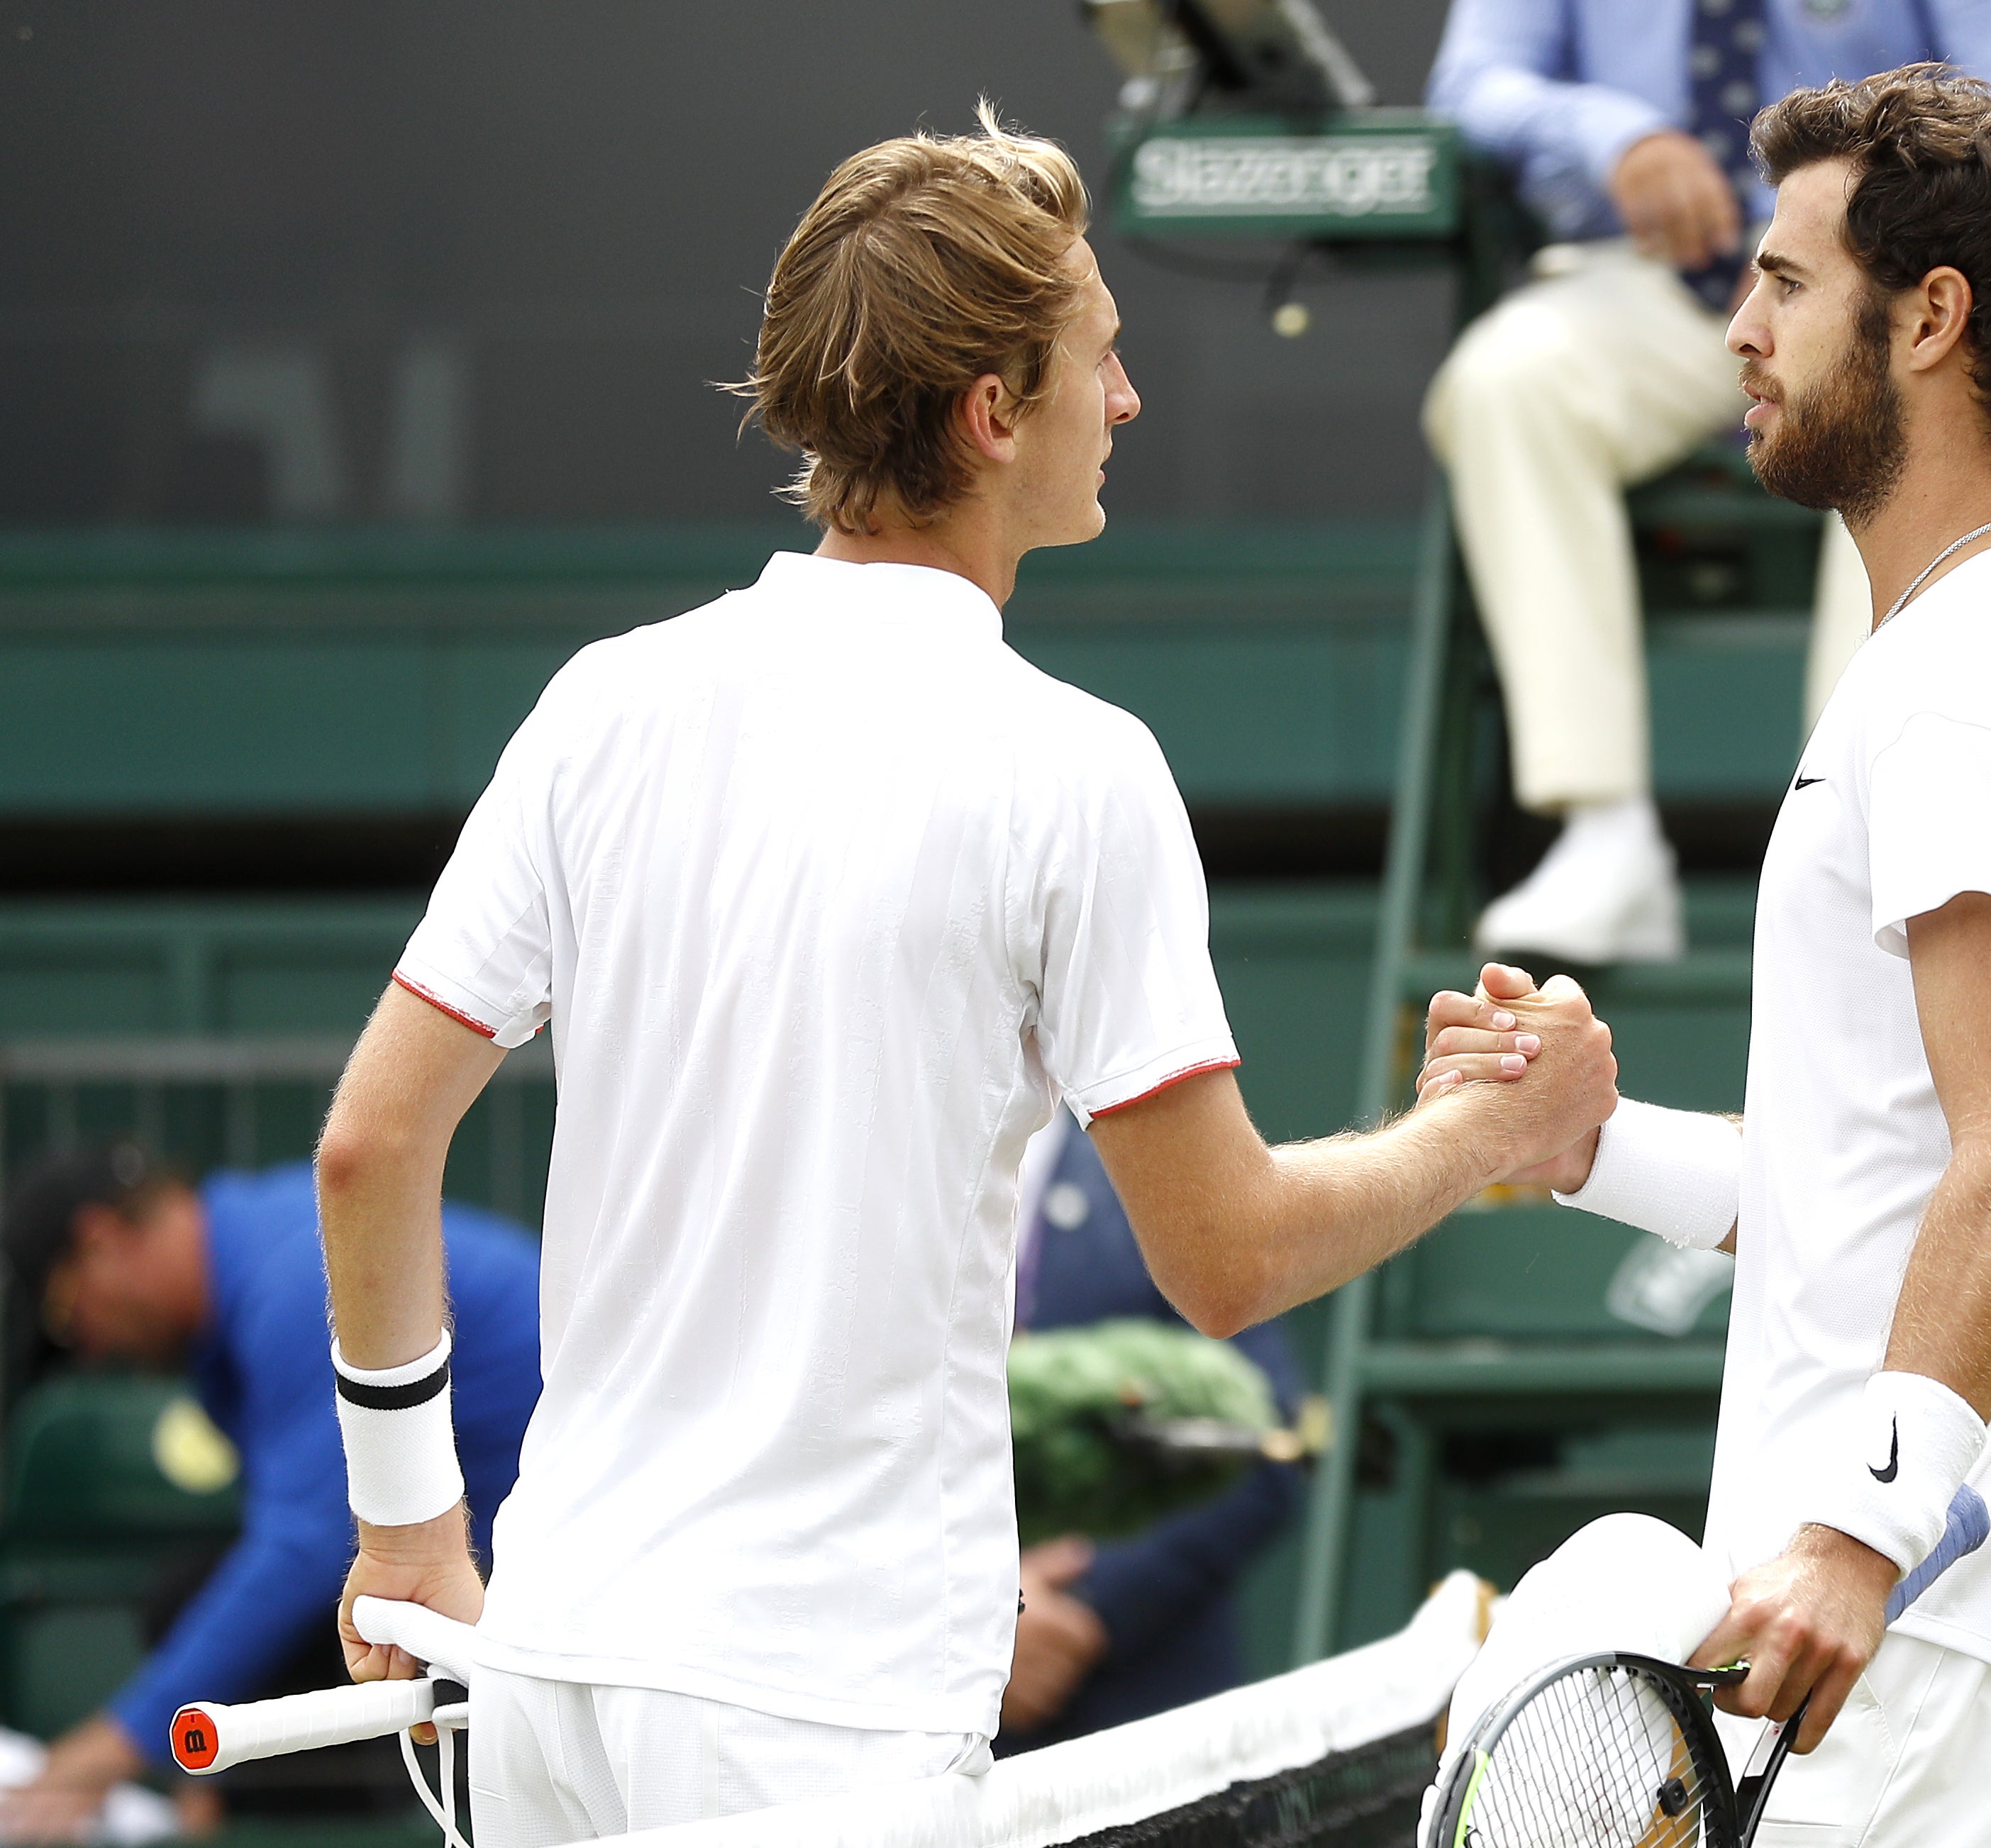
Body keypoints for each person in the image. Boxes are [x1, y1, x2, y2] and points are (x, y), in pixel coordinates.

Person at [314, 111, 1617, 1845]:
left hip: (549, 1675)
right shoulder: (1072, 768)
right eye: (1104, 358)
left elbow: (370, 1147)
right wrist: (1484, 1131)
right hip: (820, 1709)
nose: (1129, 401)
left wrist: (408, 1529)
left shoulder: (600, 705)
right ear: (993, 415)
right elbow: (1224, 1260)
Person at [1422, 68, 1991, 1846]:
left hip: (1918, 1622)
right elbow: (1890, 1183)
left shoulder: (1971, 686)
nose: (1738, 330)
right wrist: (1588, 1148)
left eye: (1781, 282)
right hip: (1938, 1626)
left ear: (1929, 318)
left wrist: (1859, 1529)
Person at [1422, 0, 1991, 965]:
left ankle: (1862, 830)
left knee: (1891, 413)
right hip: (1642, 276)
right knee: (1502, 383)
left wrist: (1853, 202)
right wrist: (1618, 137)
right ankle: (1601, 831)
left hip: (1868, 283)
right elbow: (1471, 86)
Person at [0, 1147, 537, 1844]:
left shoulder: (288, 1272)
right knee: (198, 1597)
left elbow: (303, 1551)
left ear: (104, 1242)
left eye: (72, 1317)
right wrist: (203, 1776)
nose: (91, 1349)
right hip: (479, 1576)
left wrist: (100, 1755)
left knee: (276, 1614)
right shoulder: (245, 1276)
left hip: (551, 1589)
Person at [999, 1114, 1304, 1749]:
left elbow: (1266, 1446)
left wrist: (1071, 1610)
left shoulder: (1154, 1185)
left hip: (1140, 1731)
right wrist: (975, 1618)